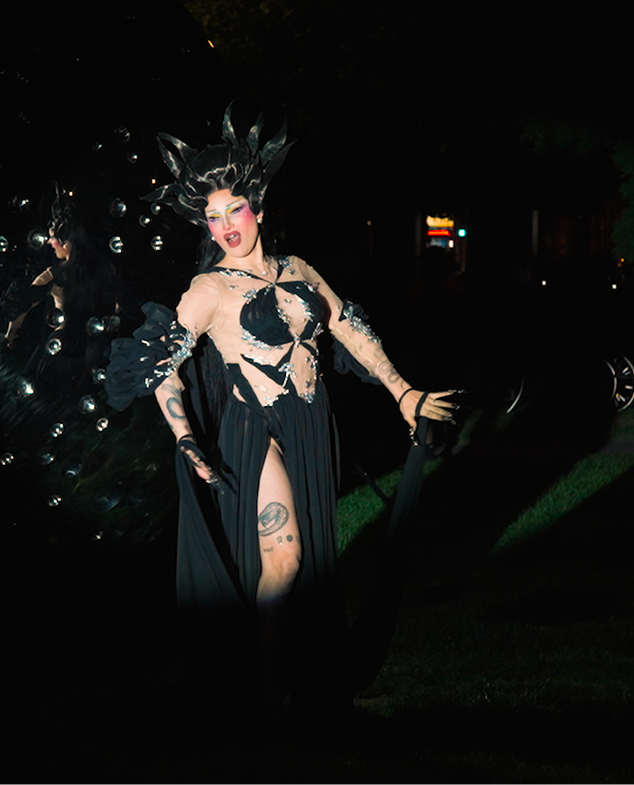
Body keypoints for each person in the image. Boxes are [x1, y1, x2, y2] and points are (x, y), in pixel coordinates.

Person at [106, 107, 455, 708]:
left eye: (234, 210)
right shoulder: (210, 289)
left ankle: (298, 680)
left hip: (311, 424)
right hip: (253, 427)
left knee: (311, 563)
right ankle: (267, 701)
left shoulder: (298, 270)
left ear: (259, 209)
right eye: (212, 216)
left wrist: (402, 391)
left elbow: (349, 329)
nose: (224, 226)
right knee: (286, 558)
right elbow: (161, 364)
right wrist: (185, 436)